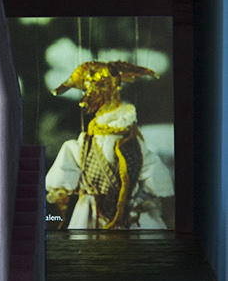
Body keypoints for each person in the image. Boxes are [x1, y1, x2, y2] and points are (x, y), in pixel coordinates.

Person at [44, 59, 174, 232]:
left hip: (129, 211)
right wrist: (61, 193)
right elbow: (65, 176)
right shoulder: (82, 146)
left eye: (100, 86)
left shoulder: (133, 143)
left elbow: (150, 171)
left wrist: (150, 197)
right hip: (91, 211)